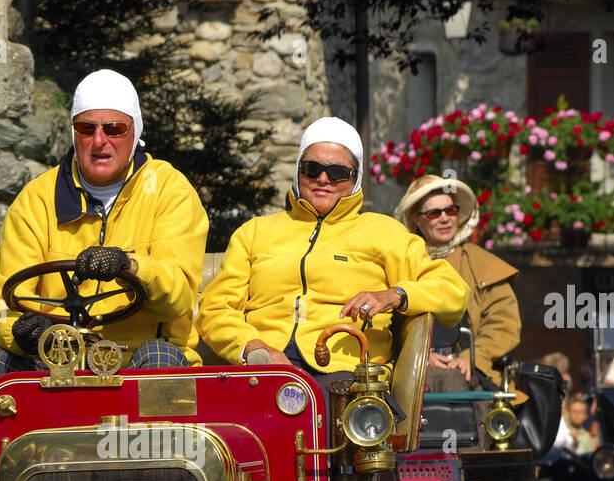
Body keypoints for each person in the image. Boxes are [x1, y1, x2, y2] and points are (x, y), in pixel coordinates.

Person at [0, 69, 208, 392]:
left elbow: (177, 299)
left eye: (114, 128)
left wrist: (129, 266)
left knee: (160, 359)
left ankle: (145, 442)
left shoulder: (169, 189)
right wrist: (22, 331)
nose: (99, 141)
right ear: (74, 133)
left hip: (136, 358)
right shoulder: (36, 198)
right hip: (53, 360)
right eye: (86, 128)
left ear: (134, 131)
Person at [197, 117, 468, 397]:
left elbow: (454, 293)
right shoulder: (254, 232)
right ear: (298, 172)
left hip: (345, 375)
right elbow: (215, 309)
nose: (323, 179)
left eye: (337, 172)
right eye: (312, 169)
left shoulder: (386, 232)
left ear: (355, 178)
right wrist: (252, 347)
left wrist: (394, 295)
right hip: (264, 370)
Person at [393, 173, 521, 389]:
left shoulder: (483, 263)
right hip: (412, 383)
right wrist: (419, 357)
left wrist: (473, 356)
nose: (445, 218)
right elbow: (388, 325)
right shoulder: (401, 262)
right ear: (416, 219)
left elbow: (504, 323)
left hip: (473, 381)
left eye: (450, 210)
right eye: (434, 213)